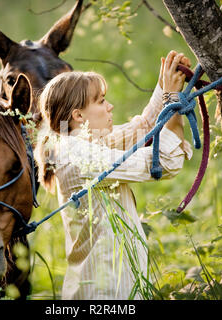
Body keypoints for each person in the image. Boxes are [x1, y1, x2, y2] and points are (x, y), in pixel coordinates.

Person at [35, 51, 193, 299]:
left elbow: (142, 128)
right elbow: (166, 161)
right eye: (100, 101)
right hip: (105, 295)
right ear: (78, 115)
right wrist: (172, 99)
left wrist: (165, 84)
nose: (110, 106)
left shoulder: (83, 143)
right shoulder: (79, 156)